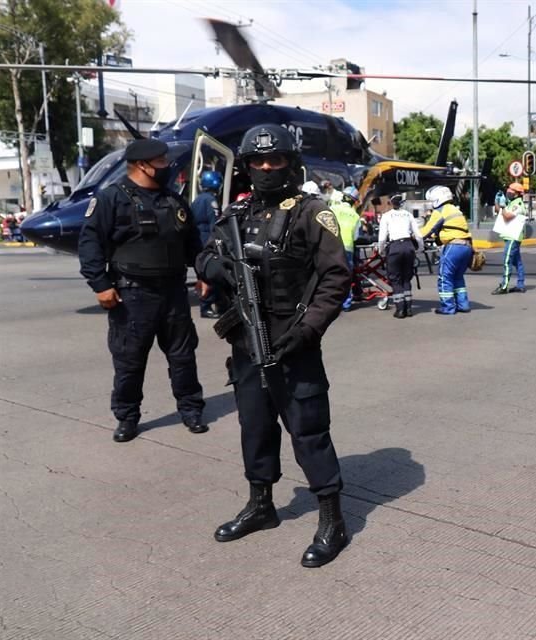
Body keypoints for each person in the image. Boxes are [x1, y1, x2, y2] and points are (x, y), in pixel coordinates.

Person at [195, 123, 352, 568]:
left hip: (293, 339)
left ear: (290, 163)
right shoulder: (235, 214)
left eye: (275, 160)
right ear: (245, 167)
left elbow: (336, 276)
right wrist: (215, 269)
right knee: (255, 426)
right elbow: (204, 253)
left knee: (309, 430)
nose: (266, 168)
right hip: (246, 339)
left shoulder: (311, 212)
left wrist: (309, 330)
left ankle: (332, 518)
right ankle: (260, 504)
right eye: (258, 161)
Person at [78, 138, 207, 443]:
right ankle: (127, 417)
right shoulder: (112, 198)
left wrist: (203, 273)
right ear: (142, 165)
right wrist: (101, 285)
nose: (167, 167)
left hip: (174, 293)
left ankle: (191, 410)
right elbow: (90, 243)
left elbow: (192, 244)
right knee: (130, 361)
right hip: (132, 295)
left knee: (183, 356)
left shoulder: (173, 201)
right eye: (161, 162)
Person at [421, 185, 474, 315]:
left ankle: (448, 307)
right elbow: (450, 228)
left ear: (437, 199)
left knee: (444, 277)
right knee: (458, 277)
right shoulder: (456, 210)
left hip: (453, 247)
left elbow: (425, 232)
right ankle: (463, 305)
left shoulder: (440, 211)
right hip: (466, 247)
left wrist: (411, 236)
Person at [378, 193, 423, 318]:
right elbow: (418, 235)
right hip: (408, 246)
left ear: (391, 203)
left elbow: (382, 238)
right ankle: (408, 309)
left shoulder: (386, 216)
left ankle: (400, 310)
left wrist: (380, 250)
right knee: (406, 278)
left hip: (395, 247)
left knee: (396, 279)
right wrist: (420, 248)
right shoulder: (408, 215)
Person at [192, 170, 223, 319]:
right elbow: (214, 222)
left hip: (198, 239)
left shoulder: (198, 199)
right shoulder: (211, 200)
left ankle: (207, 304)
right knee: (211, 274)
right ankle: (207, 305)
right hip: (207, 239)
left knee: (203, 273)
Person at [330, 186, 362, 312]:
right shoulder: (355, 215)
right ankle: (346, 304)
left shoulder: (333, 209)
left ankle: (332, 301)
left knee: (332, 274)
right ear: (354, 201)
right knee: (346, 276)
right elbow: (356, 237)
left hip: (333, 246)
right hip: (348, 247)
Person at [492, 182, 527, 294]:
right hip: (509, 236)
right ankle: (520, 284)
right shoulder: (511, 203)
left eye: (511, 190)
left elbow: (507, 216)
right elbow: (499, 211)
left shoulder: (518, 205)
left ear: (517, 193)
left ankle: (504, 286)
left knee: (507, 261)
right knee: (517, 262)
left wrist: (502, 206)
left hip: (513, 237)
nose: (508, 191)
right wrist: (497, 201)